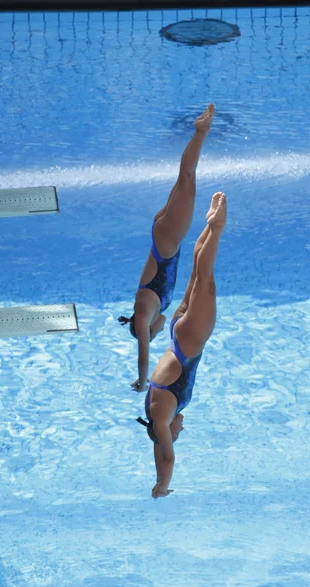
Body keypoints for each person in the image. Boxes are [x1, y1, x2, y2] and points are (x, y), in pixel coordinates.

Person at [119, 104, 215, 393]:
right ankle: (199, 133)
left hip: (168, 239)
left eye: (153, 334)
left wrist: (142, 379)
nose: (161, 331)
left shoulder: (144, 310)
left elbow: (143, 351)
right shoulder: (151, 307)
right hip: (164, 236)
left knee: (187, 179)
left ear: (146, 330)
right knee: (185, 181)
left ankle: (201, 131)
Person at [136, 192, 227, 498]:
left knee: (205, 280)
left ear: (166, 435)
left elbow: (167, 455)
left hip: (188, 341)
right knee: (196, 276)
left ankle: (216, 226)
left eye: (177, 435)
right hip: (177, 331)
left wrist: (162, 486)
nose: (181, 431)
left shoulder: (161, 417)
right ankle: (208, 226)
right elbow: (159, 450)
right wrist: (157, 474)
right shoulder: (153, 411)